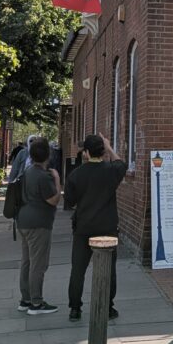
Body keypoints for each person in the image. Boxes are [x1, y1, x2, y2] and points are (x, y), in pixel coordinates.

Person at [64, 133, 127, 322]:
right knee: (109, 269)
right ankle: (107, 307)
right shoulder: (111, 170)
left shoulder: (76, 174)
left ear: (85, 153)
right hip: (107, 227)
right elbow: (121, 163)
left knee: (78, 269)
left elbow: (70, 201)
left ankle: (75, 308)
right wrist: (109, 147)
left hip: (83, 227)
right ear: (102, 151)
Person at [16, 138, 61, 315]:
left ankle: (25, 299)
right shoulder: (43, 176)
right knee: (38, 264)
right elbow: (54, 200)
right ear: (47, 155)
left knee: (26, 261)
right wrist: (57, 179)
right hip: (39, 224)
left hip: (24, 221)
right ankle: (36, 302)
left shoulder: (27, 171)